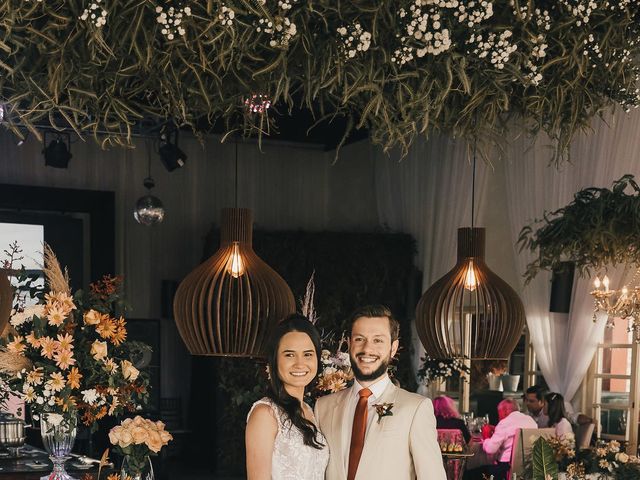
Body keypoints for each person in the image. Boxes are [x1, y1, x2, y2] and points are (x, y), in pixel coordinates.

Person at [315, 305, 446, 480]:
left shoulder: (416, 409)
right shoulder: (323, 407)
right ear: (349, 343)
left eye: (378, 340)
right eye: (359, 339)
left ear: (393, 348)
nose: (367, 348)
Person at [245, 314, 329, 480]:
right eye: (289, 355)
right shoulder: (265, 414)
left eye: (308, 354)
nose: (300, 363)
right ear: (275, 360)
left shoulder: (309, 410)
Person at [465, 398, 538, 480]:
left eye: (499, 413)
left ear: (505, 411)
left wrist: (486, 436)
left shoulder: (505, 423)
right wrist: (496, 429)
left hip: (505, 469)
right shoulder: (531, 421)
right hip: (528, 467)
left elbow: (490, 449)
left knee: (470, 474)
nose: (499, 417)